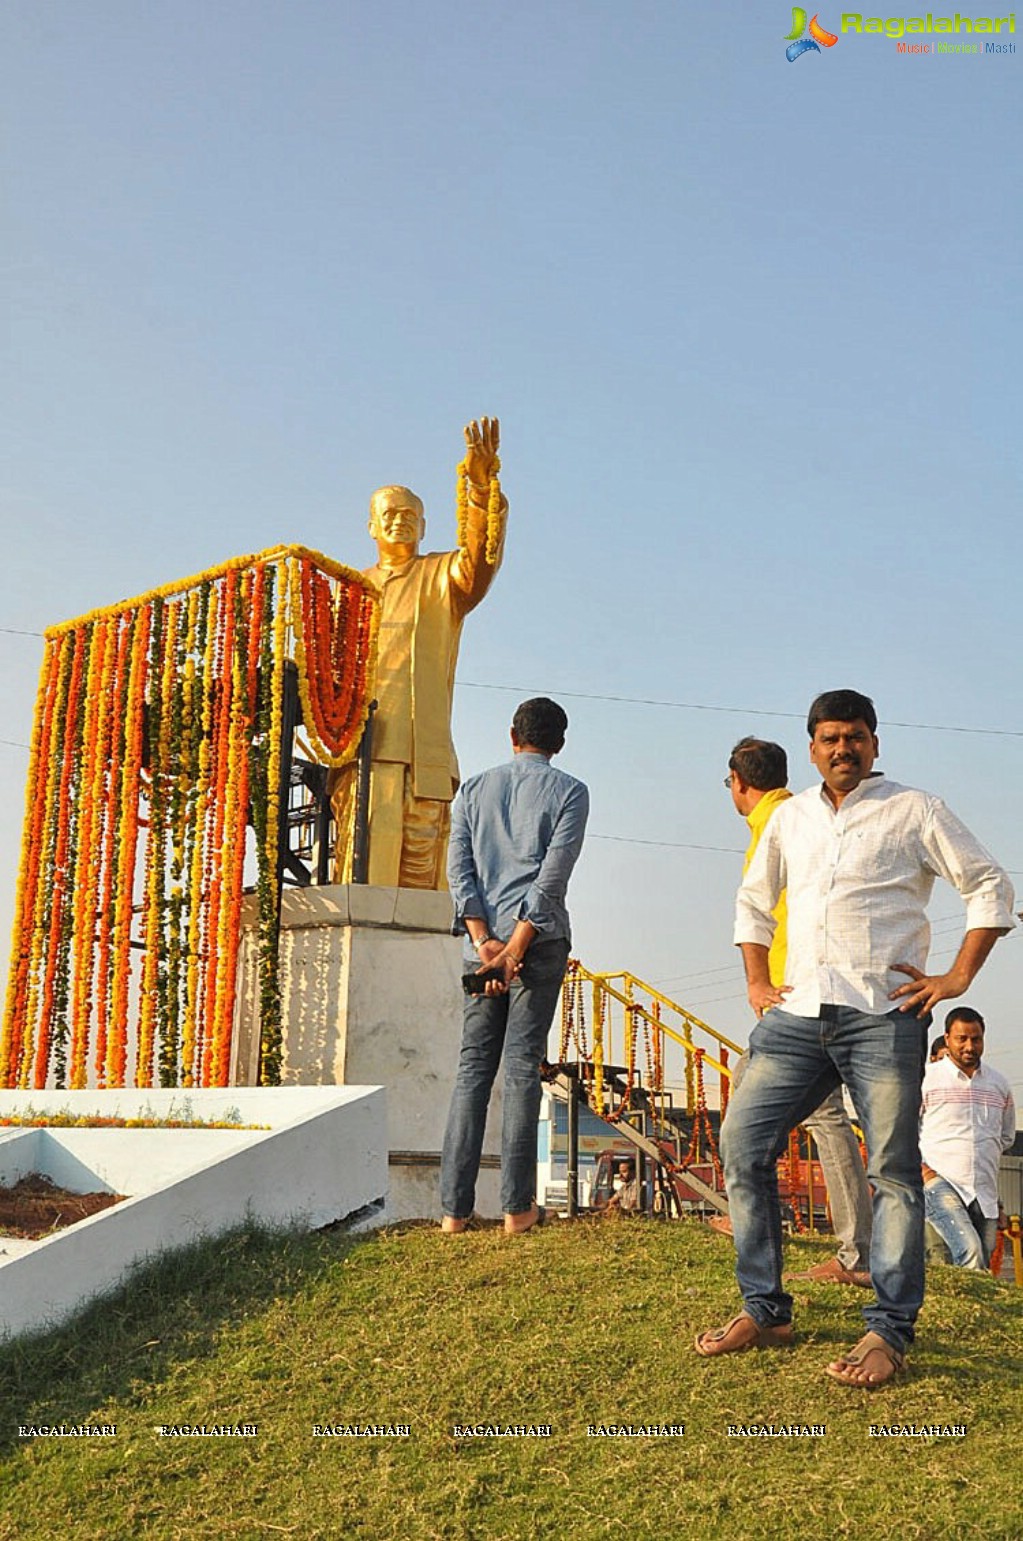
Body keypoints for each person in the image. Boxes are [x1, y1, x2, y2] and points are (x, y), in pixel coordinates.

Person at [695, 688, 1015, 1388]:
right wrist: (756, 981)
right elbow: (753, 901)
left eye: (855, 737)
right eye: (830, 738)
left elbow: (989, 885)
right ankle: (764, 1308)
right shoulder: (792, 819)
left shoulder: (914, 809)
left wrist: (955, 975)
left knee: (892, 1173)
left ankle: (886, 1331)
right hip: (796, 1014)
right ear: (810, 747)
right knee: (742, 1144)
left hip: (883, 1014)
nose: (842, 748)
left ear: (875, 744)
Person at [720, 737, 873, 1287]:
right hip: (794, 992)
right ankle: (752, 1216)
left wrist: (763, 982)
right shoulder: (791, 815)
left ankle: (858, 1252)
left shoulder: (785, 820)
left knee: (825, 1116)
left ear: (738, 781)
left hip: (801, 996)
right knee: (746, 1097)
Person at [331, 417, 506, 889]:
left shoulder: (442, 577)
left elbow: (480, 559)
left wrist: (480, 487)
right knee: (361, 878)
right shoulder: (351, 590)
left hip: (423, 756)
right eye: (388, 513)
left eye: (410, 513)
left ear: (425, 526)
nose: (399, 519)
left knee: (421, 885)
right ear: (370, 525)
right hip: (362, 755)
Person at [440, 697, 589, 1235]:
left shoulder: (474, 790)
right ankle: (516, 1209)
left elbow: (460, 869)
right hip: (538, 944)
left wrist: (485, 943)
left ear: (511, 735)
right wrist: (518, 948)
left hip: (480, 949)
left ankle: (454, 1214)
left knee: (472, 1071)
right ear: (560, 742)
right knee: (523, 1066)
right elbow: (552, 878)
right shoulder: (571, 792)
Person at [920, 1008, 1015, 1270]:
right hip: (941, 1182)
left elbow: (1005, 1137)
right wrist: (924, 1171)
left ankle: (977, 1310)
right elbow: (903, 1129)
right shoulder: (927, 1079)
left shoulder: (999, 1084)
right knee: (970, 1252)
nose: (969, 1046)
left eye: (976, 1039)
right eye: (962, 1038)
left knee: (983, 1258)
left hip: (984, 1191)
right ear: (947, 1038)